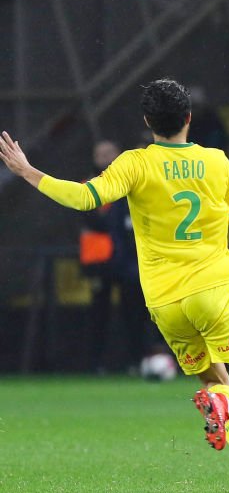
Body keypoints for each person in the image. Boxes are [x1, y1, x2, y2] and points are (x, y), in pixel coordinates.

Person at [0, 79, 229, 493]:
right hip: (213, 289)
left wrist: (27, 171)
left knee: (213, 381)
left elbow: (84, 198)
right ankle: (225, 405)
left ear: (148, 121)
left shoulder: (135, 163)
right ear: (189, 118)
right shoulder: (218, 161)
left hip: (165, 302)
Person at [80, 139, 150, 373]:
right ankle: (96, 363)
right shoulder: (90, 185)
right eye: (101, 154)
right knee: (99, 315)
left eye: (110, 153)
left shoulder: (127, 183)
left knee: (134, 312)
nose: (106, 158)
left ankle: (136, 361)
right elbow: (96, 221)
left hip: (127, 260)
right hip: (100, 261)